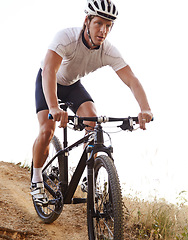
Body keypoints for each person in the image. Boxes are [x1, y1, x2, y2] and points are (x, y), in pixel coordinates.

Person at [31, 0, 153, 206]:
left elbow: (131, 80)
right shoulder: (67, 38)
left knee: (93, 121)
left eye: (108, 26)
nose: (103, 30)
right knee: (47, 130)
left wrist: (145, 108)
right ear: (87, 21)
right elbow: (50, 71)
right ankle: (36, 179)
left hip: (72, 84)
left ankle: (90, 173)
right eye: (99, 23)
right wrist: (54, 106)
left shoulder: (108, 51)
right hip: (48, 80)